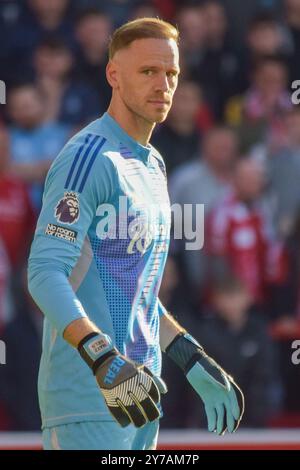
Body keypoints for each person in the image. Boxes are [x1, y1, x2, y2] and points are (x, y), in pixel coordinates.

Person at [28, 17, 244, 451]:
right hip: (88, 402)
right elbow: (44, 272)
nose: (163, 84)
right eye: (148, 71)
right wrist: (103, 359)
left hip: (143, 399)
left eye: (172, 74)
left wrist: (187, 354)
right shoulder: (88, 157)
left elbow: (134, 288)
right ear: (113, 74)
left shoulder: (153, 165)